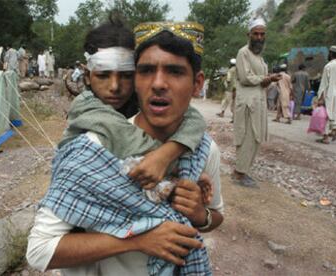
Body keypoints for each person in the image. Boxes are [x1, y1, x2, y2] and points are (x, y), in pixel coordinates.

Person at [27, 20, 224, 275]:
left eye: (175, 71)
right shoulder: (92, 145)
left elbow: (214, 216)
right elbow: (39, 250)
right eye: (147, 71)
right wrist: (139, 239)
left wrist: (200, 214)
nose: (159, 84)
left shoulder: (202, 150)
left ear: (197, 84)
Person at [233, 18, 281, 188]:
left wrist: (270, 79)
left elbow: (261, 81)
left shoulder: (259, 58)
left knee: (256, 137)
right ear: (249, 35)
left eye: (262, 34)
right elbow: (246, 78)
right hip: (247, 103)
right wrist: (267, 78)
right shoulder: (243, 53)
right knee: (247, 136)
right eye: (256, 34)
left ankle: (243, 171)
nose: (259, 37)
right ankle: (238, 173)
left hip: (258, 102)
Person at [316, 45, 336, 144]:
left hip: (329, 93)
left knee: (327, 114)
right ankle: (328, 136)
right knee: (332, 113)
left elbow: (324, 83)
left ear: (331, 54)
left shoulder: (328, 66)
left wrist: (320, 97)